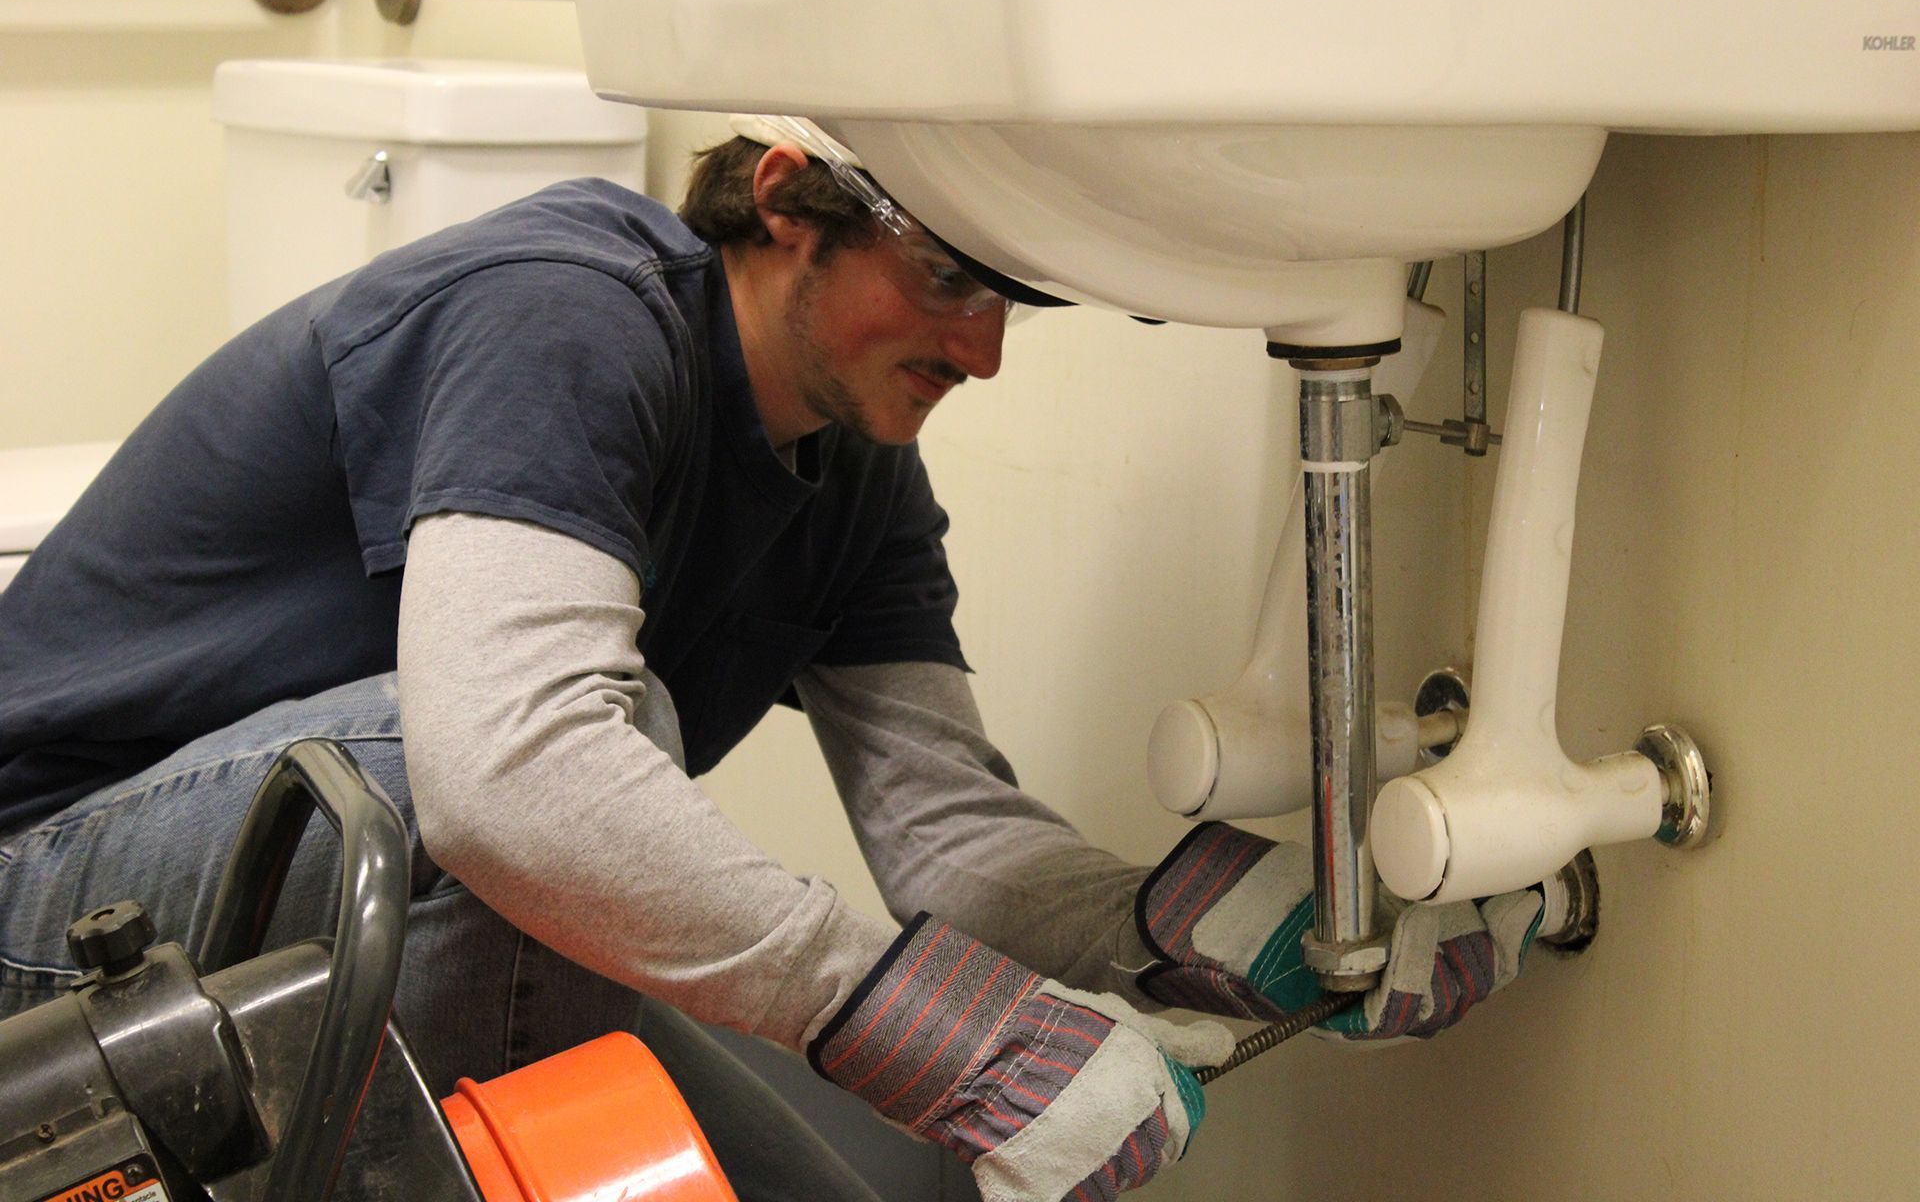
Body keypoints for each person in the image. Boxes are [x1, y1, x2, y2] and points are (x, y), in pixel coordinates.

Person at [0, 117, 1542, 1202]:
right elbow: (507, 785)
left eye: (1015, 299)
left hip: (336, 906)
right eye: (949, 278)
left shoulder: (857, 482)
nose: (986, 349)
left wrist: (1192, 921)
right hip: (60, 915)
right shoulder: (566, 311)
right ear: (787, 197)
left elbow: (949, 844)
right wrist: (938, 1032)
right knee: (513, 763)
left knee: (855, 1173)